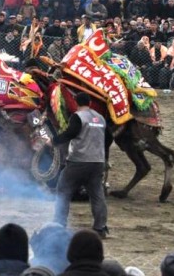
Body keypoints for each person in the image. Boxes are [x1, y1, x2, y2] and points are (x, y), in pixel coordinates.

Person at [49, 92, 111, 238]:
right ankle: (100, 227)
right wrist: (100, 150)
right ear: (89, 103)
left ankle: (59, 224)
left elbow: (70, 133)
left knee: (63, 190)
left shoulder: (78, 117)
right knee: (97, 194)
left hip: (78, 161)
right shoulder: (100, 118)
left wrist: (53, 141)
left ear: (76, 103)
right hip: (97, 162)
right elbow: (109, 137)